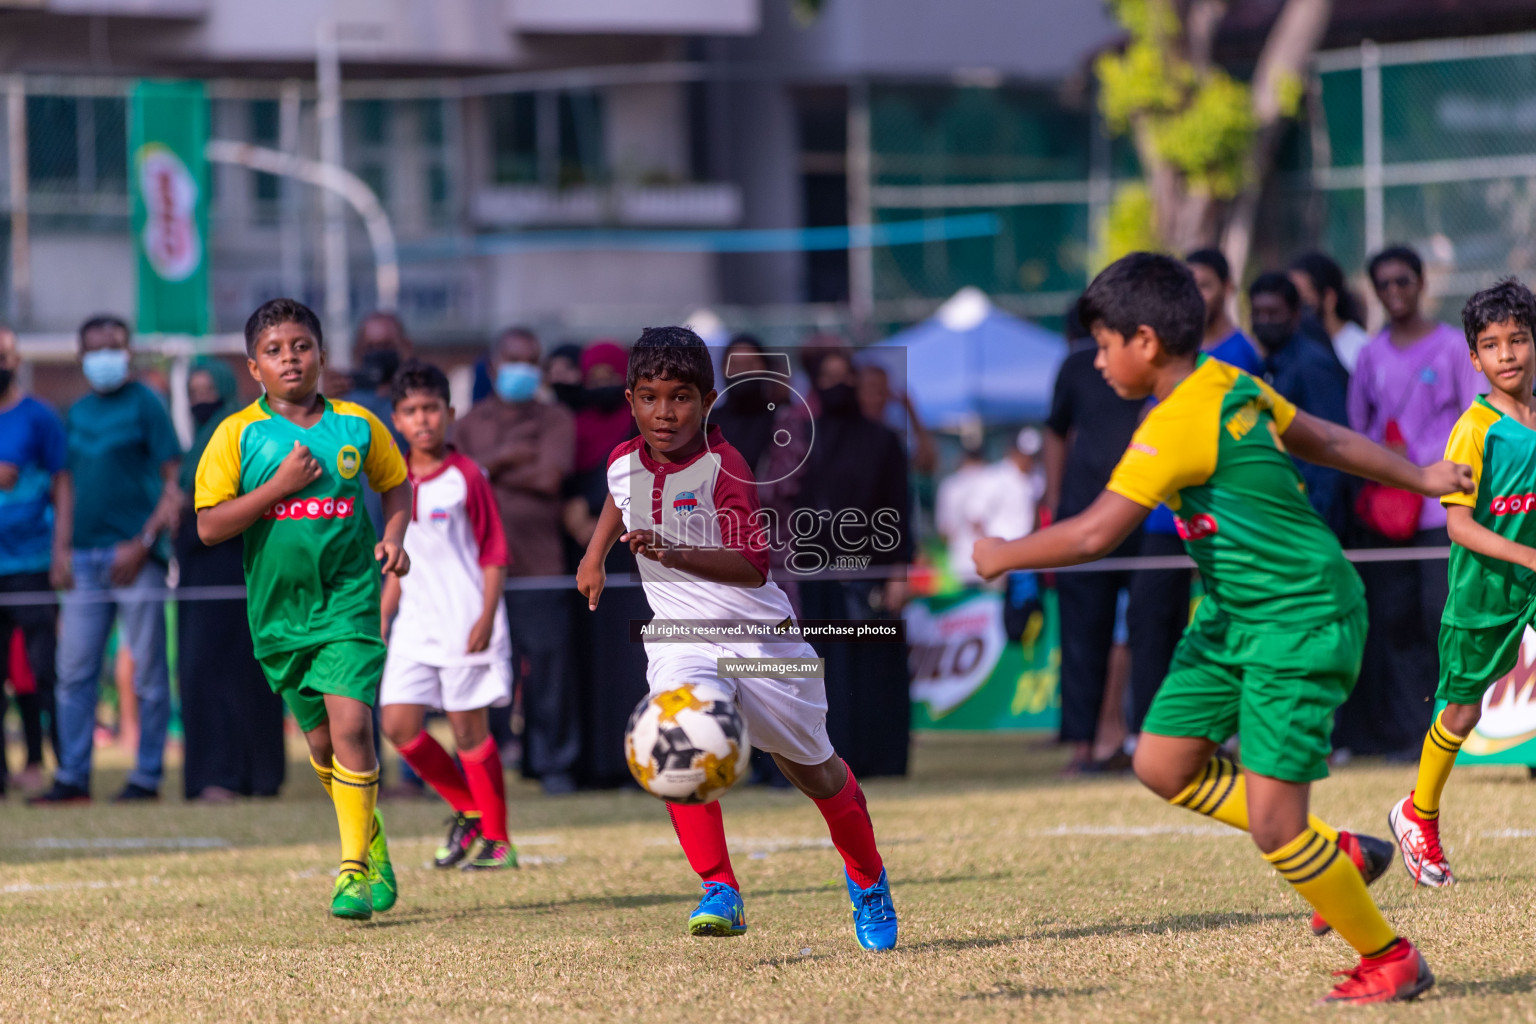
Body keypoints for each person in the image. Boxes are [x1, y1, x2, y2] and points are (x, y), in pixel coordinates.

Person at [972, 252, 1470, 1003]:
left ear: (1144, 341)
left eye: (1104, 344)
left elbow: (1091, 536)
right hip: (1235, 616)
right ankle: (1334, 850)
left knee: (1275, 829)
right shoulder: (1227, 382)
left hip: (1298, 617)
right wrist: (1423, 473)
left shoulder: (1178, 420)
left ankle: (1391, 956)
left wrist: (1002, 553)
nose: (1098, 361)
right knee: (1161, 762)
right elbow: (1326, 440)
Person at [576, 326, 897, 950]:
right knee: (676, 735)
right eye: (649, 397)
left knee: (819, 774)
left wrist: (674, 549)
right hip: (679, 639)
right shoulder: (622, 461)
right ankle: (719, 887)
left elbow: (754, 566)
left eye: (680, 398)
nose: (663, 413)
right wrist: (594, 556)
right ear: (629, 398)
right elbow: (617, 502)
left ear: (708, 400)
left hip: (763, 643)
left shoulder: (723, 467)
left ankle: (868, 879)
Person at [195, 298, 410, 921]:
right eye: (274, 350)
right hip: (279, 616)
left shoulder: (358, 424)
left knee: (350, 728)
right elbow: (209, 527)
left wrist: (393, 537)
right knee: (320, 746)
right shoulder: (237, 434)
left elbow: (395, 483)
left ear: (321, 354)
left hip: (348, 602)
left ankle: (350, 874)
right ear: (253, 367)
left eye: (301, 346)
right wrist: (278, 488)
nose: (289, 357)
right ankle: (369, 839)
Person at [1386, 279, 1536, 887]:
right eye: (1492, 344)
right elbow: (1459, 527)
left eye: (1518, 339)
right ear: (1474, 358)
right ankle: (1418, 814)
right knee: (1462, 710)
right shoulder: (1475, 429)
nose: (1507, 354)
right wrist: (1527, 559)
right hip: (1486, 587)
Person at [31, 316, 180, 806]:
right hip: (84, 561)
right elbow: (66, 486)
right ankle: (72, 777)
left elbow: (172, 485)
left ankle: (147, 775)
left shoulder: (147, 404)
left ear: (129, 350)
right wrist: (62, 549)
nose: (106, 355)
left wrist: (142, 544)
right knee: (74, 671)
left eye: (114, 346)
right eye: (96, 348)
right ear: (80, 356)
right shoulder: (77, 412)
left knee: (147, 672)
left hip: (136, 558)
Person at [1344, 244, 1486, 757]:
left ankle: (1459, 732)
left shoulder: (1453, 346)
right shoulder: (1370, 355)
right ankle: (1412, 735)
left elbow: (1477, 416)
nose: (1395, 292)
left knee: (1441, 616)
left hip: (1446, 508)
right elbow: (1356, 432)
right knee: (1397, 622)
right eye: (1384, 285)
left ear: (1421, 284)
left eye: (1404, 281)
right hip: (1390, 512)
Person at [379, 362, 515, 870]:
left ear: (449, 414)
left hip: (464, 620)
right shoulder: (394, 482)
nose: (423, 420)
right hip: (415, 625)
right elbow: (399, 558)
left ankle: (499, 840)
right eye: (411, 411)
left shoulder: (466, 477)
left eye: (431, 409)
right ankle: (469, 809)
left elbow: (494, 551)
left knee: (467, 733)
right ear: (396, 419)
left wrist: (485, 615)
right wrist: (383, 615)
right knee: (398, 724)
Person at [455, 326, 579, 794]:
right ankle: (486, 763)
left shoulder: (556, 419)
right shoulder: (468, 422)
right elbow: (460, 480)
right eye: (513, 360)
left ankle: (553, 765)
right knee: (481, 670)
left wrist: (488, 469)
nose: (521, 370)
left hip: (541, 566)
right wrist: (505, 458)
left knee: (548, 669)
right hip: (479, 572)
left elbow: (550, 477)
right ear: (493, 366)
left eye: (530, 361)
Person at [794, 348, 911, 778]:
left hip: (873, 573)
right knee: (825, 671)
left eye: (846, 376)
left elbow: (899, 508)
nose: (838, 385)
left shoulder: (882, 440)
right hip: (814, 577)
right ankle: (828, 759)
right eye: (829, 376)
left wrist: (899, 571)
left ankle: (882, 761)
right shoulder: (804, 439)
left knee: (876, 671)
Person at [176, 358, 286, 802]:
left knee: (240, 675)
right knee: (205, 674)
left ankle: (241, 776)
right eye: (193, 392)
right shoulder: (196, 447)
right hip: (199, 579)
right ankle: (223, 775)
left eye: (208, 390)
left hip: (236, 571)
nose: (201, 400)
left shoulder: (242, 436)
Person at [1044, 304, 1144, 772]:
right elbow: (1055, 432)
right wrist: (1056, 502)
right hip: (1085, 515)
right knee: (1083, 634)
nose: (1100, 358)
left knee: (1149, 631)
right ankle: (1085, 743)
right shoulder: (1076, 367)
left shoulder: (1152, 362)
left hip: (1149, 520)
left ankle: (1143, 740)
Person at [0, 326, 70, 796]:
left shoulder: (40, 417)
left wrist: (60, 550)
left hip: (31, 564)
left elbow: (63, 486)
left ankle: (53, 763)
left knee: (41, 669)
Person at [1250, 271, 1351, 536]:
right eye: (1257, 313)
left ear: (1295, 314)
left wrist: (1313, 517)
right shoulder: (1270, 364)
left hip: (1310, 517)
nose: (1264, 321)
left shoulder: (1310, 364)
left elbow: (1334, 441)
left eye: (1273, 313)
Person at [1291, 251, 1370, 373]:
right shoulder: (1290, 347)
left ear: (1329, 298)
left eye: (1303, 301)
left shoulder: (1360, 350)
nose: (1295, 311)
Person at [1187, 248, 1263, 373]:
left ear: (1227, 287)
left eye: (1204, 286)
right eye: (1190, 286)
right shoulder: (1177, 349)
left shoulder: (1240, 355)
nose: (1195, 295)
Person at [935, 440, 993, 585]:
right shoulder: (994, 479)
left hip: (959, 567)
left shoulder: (949, 485)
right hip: (993, 564)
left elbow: (944, 532)